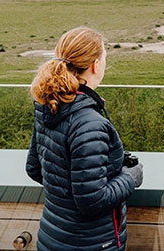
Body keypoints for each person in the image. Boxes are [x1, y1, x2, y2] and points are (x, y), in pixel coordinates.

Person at [26, 26, 143, 251]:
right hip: (91, 243)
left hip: (52, 237)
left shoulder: (49, 107)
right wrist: (131, 177)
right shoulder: (89, 124)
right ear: (95, 65)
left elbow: (34, 169)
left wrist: (69, 192)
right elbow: (92, 201)